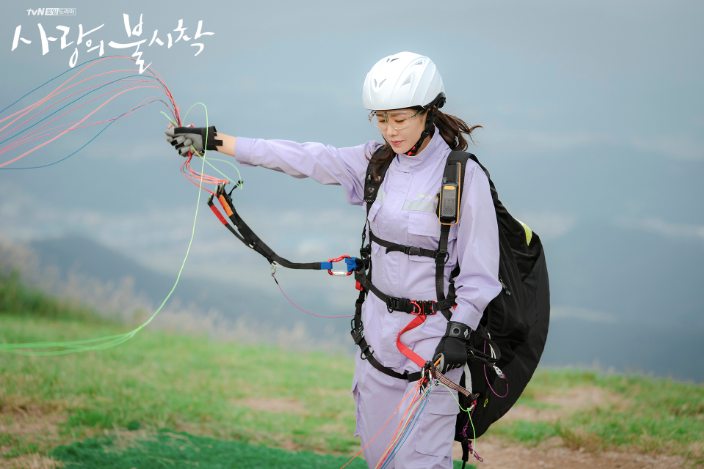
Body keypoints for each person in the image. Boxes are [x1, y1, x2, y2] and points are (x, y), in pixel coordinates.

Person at [165, 51, 501, 469]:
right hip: (376, 342)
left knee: (422, 461)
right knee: (379, 458)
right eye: (381, 119)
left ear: (428, 112)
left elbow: (480, 275)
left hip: (433, 347)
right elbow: (304, 157)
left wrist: (458, 334)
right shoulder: (376, 163)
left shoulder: (464, 177)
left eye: (399, 119)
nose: (390, 130)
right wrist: (215, 142)